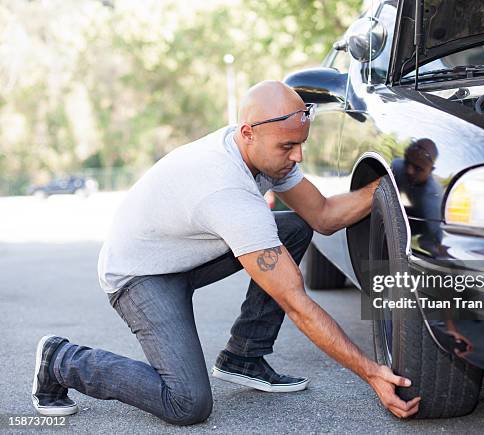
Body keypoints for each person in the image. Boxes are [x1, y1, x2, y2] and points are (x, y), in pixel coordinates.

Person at [31, 81, 421, 425]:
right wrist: (371, 373)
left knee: (295, 225)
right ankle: (62, 360)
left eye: (301, 144)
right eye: (288, 146)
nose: (297, 156)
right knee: (187, 403)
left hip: (186, 252)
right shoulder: (226, 191)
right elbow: (295, 300)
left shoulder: (266, 152)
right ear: (248, 132)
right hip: (139, 275)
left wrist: (390, 184)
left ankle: (243, 357)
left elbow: (322, 216)